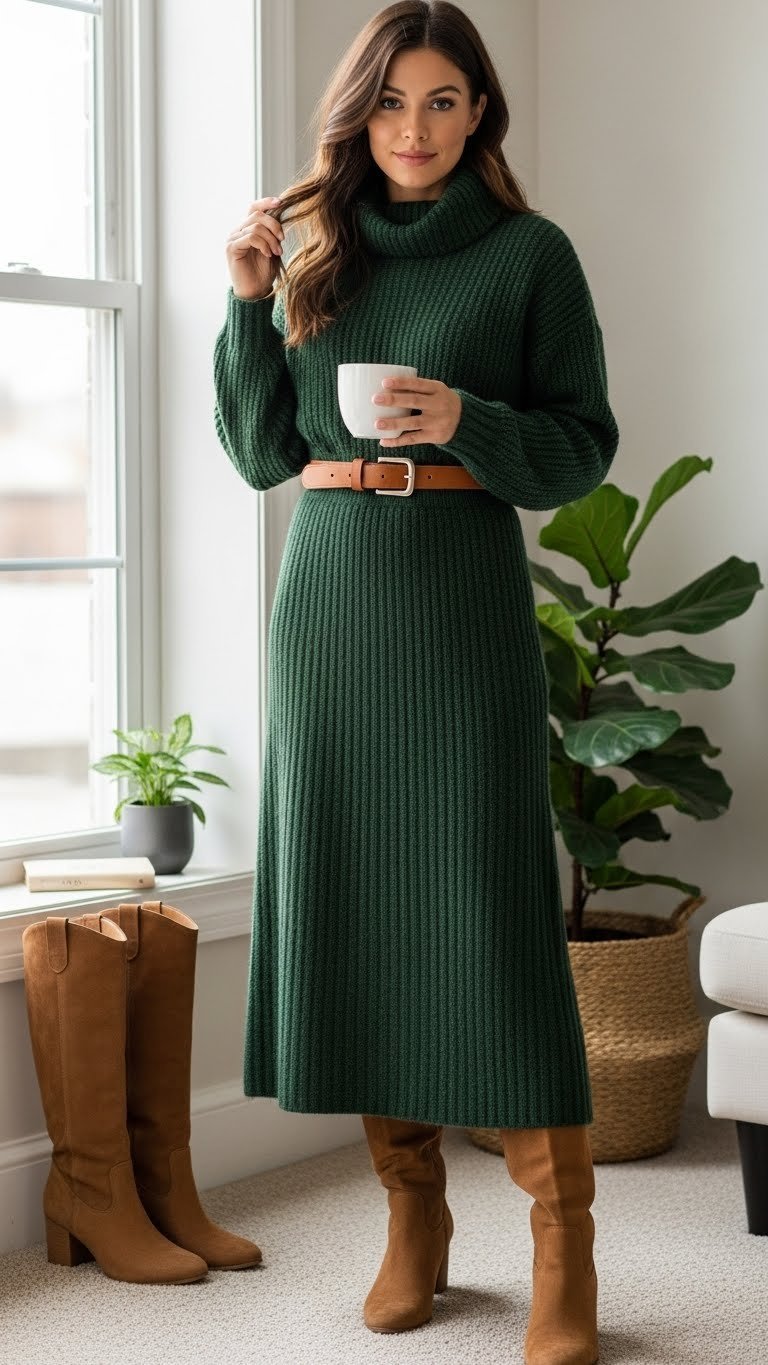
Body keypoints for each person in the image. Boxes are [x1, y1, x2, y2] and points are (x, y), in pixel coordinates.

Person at [213, 3, 618, 1359]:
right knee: (358, 899)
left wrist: (468, 419)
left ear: (480, 114)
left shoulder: (529, 256)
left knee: (489, 903)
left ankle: (564, 1241)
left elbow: (580, 446)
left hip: (458, 593)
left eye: (446, 102)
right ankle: (414, 1218)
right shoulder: (312, 246)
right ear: (357, 111)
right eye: (393, 102)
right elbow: (262, 450)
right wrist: (241, 295)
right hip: (330, 594)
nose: (416, 129)